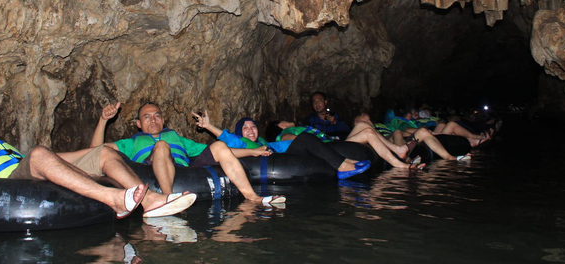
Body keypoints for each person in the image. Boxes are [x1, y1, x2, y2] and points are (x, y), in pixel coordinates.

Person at [0, 41, 195, 219]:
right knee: (38, 154)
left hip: (31, 171)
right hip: (6, 187)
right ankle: (113, 198)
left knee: (103, 153)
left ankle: (150, 200)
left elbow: (46, 161)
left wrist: (90, 154)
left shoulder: (2, 146)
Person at [92, 102, 285, 206]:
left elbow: (221, 151)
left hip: (184, 171)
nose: (153, 120)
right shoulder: (131, 142)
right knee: (161, 146)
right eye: (147, 117)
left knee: (219, 146)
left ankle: (252, 197)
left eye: (157, 116)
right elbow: (94, 153)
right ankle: (168, 198)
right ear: (138, 124)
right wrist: (103, 120)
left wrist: (253, 150)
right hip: (150, 170)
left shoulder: (176, 137)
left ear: (163, 120)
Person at [193, 112, 370, 179]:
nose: (250, 130)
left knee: (305, 138)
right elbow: (224, 137)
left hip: (282, 158)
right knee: (304, 139)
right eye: (245, 128)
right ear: (240, 132)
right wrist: (208, 126)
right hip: (269, 164)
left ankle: (344, 161)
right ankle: (342, 166)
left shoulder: (264, 143)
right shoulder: (240, 142)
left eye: (253, 126)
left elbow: (283, 146)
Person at [269, 118, 424, 169]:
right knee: (368, 133)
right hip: (329, 149)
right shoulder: (285, 133)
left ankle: (398, 149)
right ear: (280, 125)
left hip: (333, 143)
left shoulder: (299, 127)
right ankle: (400, 164)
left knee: (363, 125)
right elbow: (303, 143)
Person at [357, 114, 471, 162]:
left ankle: (450, 157)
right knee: (397, 132)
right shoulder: (360, 129)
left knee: (423, 131)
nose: (370, 122)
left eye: (369, 120)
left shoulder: (382, 125)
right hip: (386, 141)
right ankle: (406, 158)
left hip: (398, 139)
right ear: (356, 122)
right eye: (366, 120)